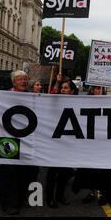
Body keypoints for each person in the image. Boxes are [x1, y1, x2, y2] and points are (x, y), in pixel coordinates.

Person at [0, 71, 40, 216]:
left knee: (26, 171)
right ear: (13, 83)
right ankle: (9, 204)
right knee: (9, 172)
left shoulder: (32, 96)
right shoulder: (4, 96)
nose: (23, 81)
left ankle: (23, 198)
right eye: (19, 79)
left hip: (27, 140)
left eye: (25, 79)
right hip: (8, 140)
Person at [73, 86, 111, 206]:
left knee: (103, 169)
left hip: (103, 141)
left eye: (101, 89)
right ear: (92, 90)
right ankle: (91, 192)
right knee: (90, 169)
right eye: (96, 88)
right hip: (89, 142)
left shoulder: (110, 102)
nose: (99, 91)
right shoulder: (86, 102)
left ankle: (102, 193)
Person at [45, 80, 77, 209]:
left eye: (66, 88)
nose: (63, 90)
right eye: (62, 88)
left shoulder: (78, 104)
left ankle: (59, 195)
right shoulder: (55, 101)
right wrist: (57, 82)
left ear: (72, 91)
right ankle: (49, 198)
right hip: (54, 143)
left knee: (63, 173)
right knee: (52, 173)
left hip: (67, 144)